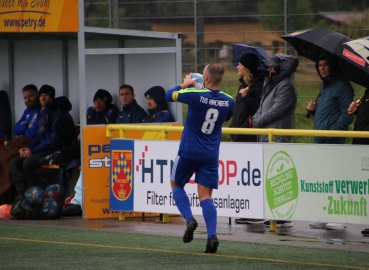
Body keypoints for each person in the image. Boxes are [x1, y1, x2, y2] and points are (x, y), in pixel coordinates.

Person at [165, 63, 234, 253]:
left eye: (203, 75)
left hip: (188, 151)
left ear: (207, 78)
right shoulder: (228, 100)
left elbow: (168, 95)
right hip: (210, 155)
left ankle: (189, 219)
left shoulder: (195, 95)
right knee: (205, 196)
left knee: (176, 184)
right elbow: (228, 116)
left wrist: (184, 84)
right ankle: (212, 236)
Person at [62, 89, 118, 217]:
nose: (97, 103)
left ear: (106, 102)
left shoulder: (112, 112)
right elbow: (78, 127)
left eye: (100, 100)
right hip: (86, 150)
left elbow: (104, 131)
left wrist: (89, 134)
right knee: (63, 163)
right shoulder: (90, 112)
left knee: (87, 166)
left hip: (104, 152)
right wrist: (79, 133)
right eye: (95, 100)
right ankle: (68, 200)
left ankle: (79, 202)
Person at [10, 85, 62, 203]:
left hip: (53, 150)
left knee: (28, 162)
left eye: (46, 95)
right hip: (41, 147)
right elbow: (38, 136)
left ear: (51, 97)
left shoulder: (57, 113)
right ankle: (23, 196)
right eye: (42, 95)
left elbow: (52, 141)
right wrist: (27, 148)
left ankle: (36, 196)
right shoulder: (43, 113)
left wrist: (32, 151)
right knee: (15, 162)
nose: (43, 98)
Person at [0, 84, 40, 205]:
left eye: (30, 96)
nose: (27, 100)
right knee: (2, 153)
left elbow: (34, 132)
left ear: (37, 95)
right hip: (22, 141)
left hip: (33, 143)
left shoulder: (41, 110)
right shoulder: (28, 111)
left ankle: (7, 194)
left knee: (8, 158)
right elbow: (16, 129)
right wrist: (27, 125)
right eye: (25, 97)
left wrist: (26, 126)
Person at [306, 52, 354, 144]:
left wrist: (333, 132)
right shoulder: (325, 85)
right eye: (319, 65)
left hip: (332, 140)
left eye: (325, 65)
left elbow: (348, 114)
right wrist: (313, 110)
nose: (322, 68)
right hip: (319, 137)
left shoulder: (343, 86)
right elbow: (327, 111)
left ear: (332, 66)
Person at [252, 53, 299, 143]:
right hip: (266, 134)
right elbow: (263, 104)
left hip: (277, 136)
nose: (268, 69)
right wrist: (255, 117)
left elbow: (277, 110)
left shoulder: (286, 85)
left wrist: (258, 121)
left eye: (272, 66)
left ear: (281, 68)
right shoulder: (271, 83)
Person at [229, 53, 265, 142]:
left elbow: (258, 108)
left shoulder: (258, 86)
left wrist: (246, 96)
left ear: (247, 68)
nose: (237, 67)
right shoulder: (243, 86)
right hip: (236, 133)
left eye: (240, 65)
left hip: (248, 136)